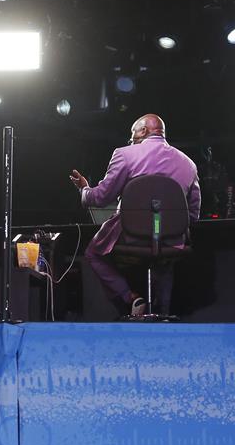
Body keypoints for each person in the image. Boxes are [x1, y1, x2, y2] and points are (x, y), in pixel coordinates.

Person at [70, 114, 201, 317]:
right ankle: (163, 316)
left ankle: (129, 298)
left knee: (93, 254)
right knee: (165, 260)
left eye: (132, 134)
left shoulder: (125, 154)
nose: (130, 140)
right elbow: (193, 214)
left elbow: (101, 198)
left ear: (142, 131)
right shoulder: (189, 164)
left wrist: (85, 190)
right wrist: (165, 225)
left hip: (131, 235)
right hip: (172, 238)